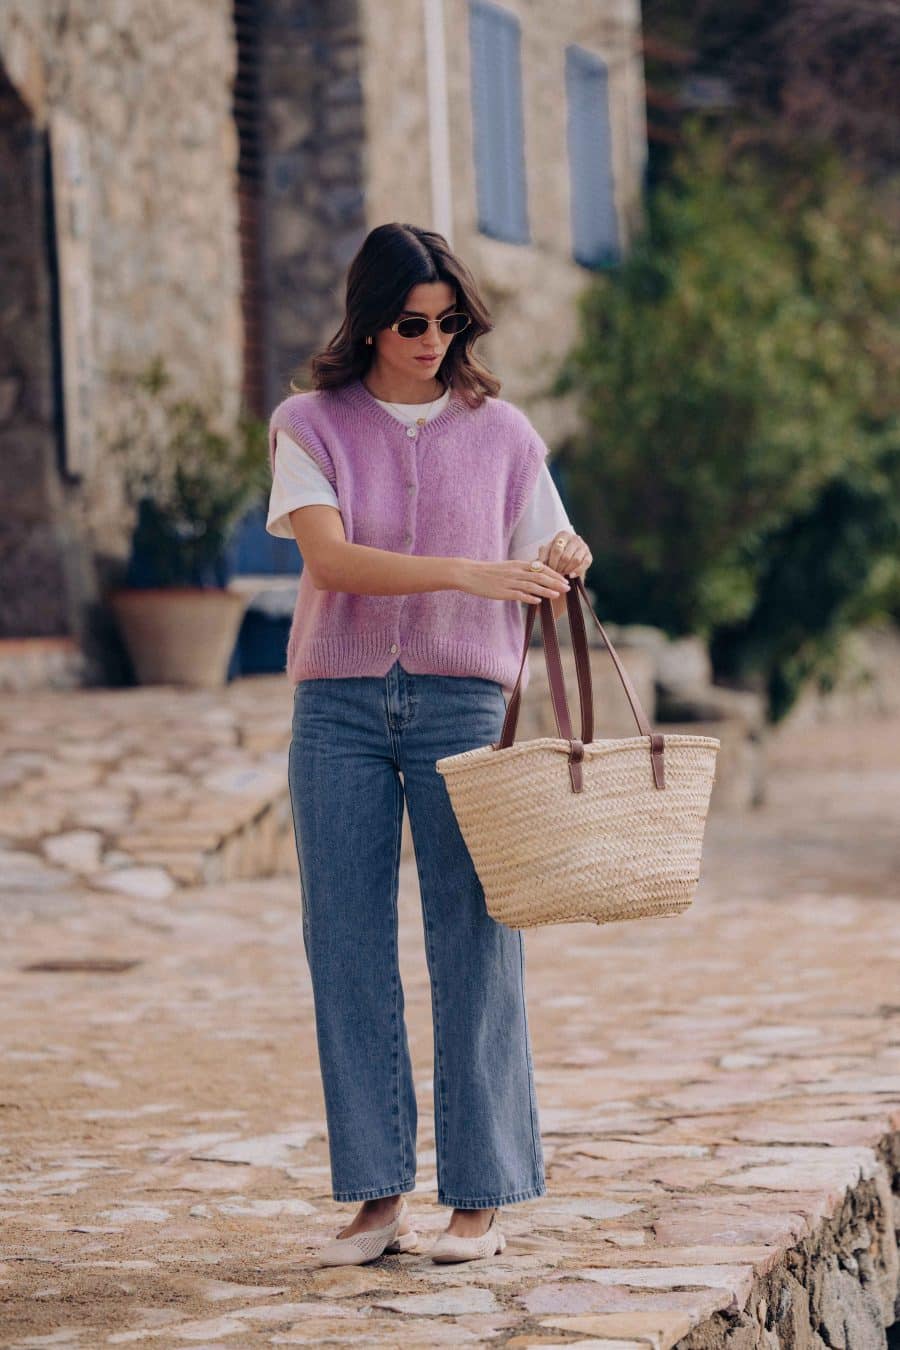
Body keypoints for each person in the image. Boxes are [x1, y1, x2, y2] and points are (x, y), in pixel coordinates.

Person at [266, 222, 592, 1266]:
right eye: (413, 323)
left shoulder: (502, 432)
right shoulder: (309, 422)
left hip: (465, 702)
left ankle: (481, 1198)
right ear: (369, 320)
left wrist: (563, 554)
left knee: (476, 940)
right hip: (340, 707)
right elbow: (334, 561)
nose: (434, 340)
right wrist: (466, 571)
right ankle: (374, 1195)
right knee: (347, 943)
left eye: (452, 323)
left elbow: (539, 544)